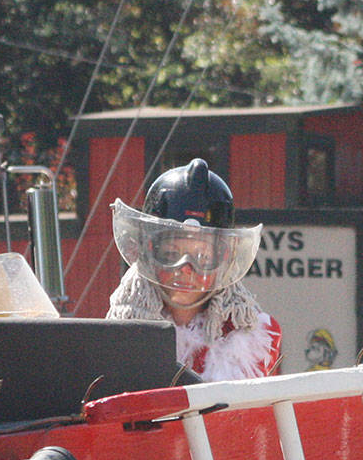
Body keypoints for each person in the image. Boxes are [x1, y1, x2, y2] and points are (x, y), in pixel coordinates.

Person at [107, 159, 281, 381]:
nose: (186, 269)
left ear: (223, 258)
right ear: (149, 253)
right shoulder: (120, 332)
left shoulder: (254, 334)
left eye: (203, 257)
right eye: (171, 254)